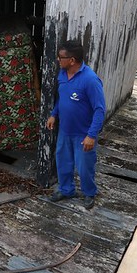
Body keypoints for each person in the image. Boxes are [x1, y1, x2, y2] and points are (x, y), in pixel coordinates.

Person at [45, 40, 106, 210]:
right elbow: (62, 98)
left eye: (61, 57)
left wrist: (91, 136)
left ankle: (89, 193)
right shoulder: (63, 74)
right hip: (65, 130)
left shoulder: (90, 80)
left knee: (84, 167)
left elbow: (100, 110)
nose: (58, 60)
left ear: (72, 60)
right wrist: (54, 114)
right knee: (63, 162)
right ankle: (66, 190)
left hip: (83, 134)